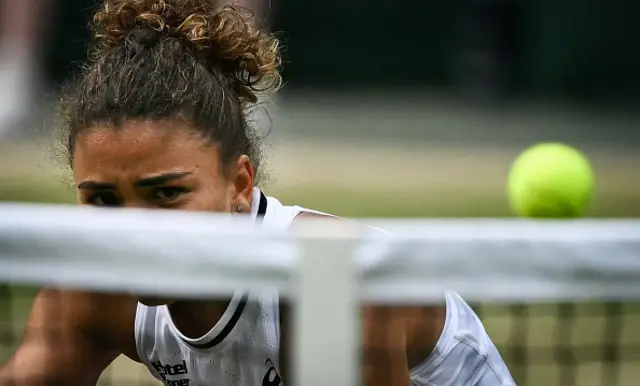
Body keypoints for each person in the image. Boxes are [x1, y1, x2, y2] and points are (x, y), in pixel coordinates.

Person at [0, 1, 516, 385]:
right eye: (103, 200)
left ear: (239, 186)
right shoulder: (91, 293)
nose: (135, 230)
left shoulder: (327, 289)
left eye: (166, 194)